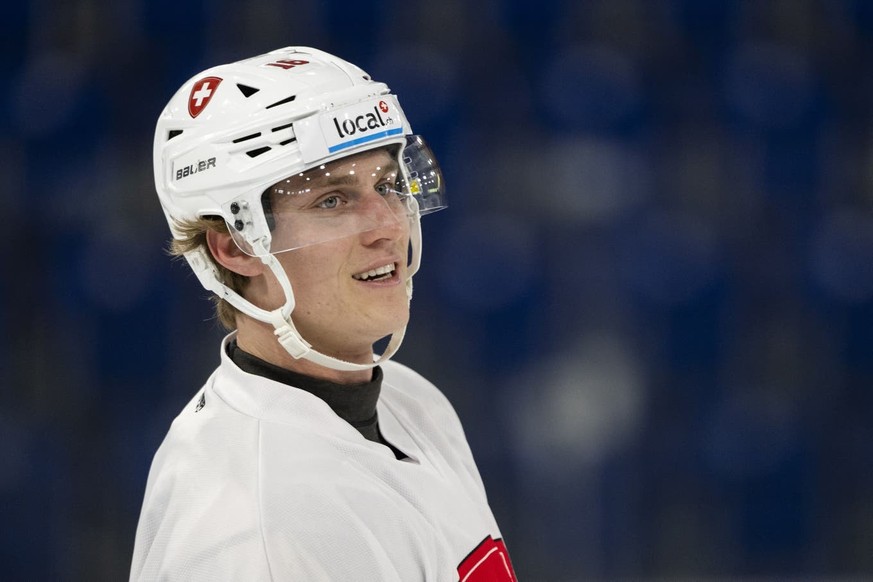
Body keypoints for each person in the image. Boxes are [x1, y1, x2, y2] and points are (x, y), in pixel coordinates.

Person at [130, 46, 517, 581]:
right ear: (237, 246)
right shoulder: (255, 535)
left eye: (387, 186)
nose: (389, 225)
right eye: (332, 200)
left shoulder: (412, 401)